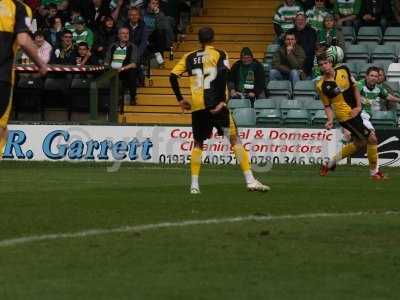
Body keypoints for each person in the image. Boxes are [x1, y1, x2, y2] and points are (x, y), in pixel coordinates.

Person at [169, 27, 270, 194]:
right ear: (213, 38)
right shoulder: (219, 54)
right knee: (234, 139)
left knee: (198, 143)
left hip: (198, 106)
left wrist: (180, 99)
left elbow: (172, 76)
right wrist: (222, 102)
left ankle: (194, 185)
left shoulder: (189, 56)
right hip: (216, 105)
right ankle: (250, 180)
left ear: (199, 40)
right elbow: (224, 75)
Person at [316, 54, 386, 180]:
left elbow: (354, 88)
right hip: (345, 116)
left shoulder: (343, 69)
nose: (324, 66)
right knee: (372, 139)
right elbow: (327, 105)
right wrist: (330, 120)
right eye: (321, 65)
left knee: (359, 143)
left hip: (355, 111)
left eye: (326, 63)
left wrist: (358, 107)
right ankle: (374, 173)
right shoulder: (321, 85)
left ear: (331, 63)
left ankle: (329, 164)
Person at [0, 0, 48, 158]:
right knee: (1, 128)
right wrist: (41, 64)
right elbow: (23, 40)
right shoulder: (19, 8)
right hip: (2, 75)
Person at [105, 27, 139, 106]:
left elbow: (133, 63)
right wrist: (108, 67)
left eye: (127, 33)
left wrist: (122, 68)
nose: (125, 35)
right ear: (118, 35)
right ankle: (114, 100)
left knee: (132, 72)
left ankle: (132, 98)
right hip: (112, 70)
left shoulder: (132, 46)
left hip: (125, 70)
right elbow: (107, 60)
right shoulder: (113, 46)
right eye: (123, 33)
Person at [288, 12, 317, 77]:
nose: (300, 21)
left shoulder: (312, 31)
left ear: (306, 21)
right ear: (295, 21)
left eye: (302, 20)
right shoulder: (290, 32)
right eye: (298, 20)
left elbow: (311, 48)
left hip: (307, 59)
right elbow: (286, 45)